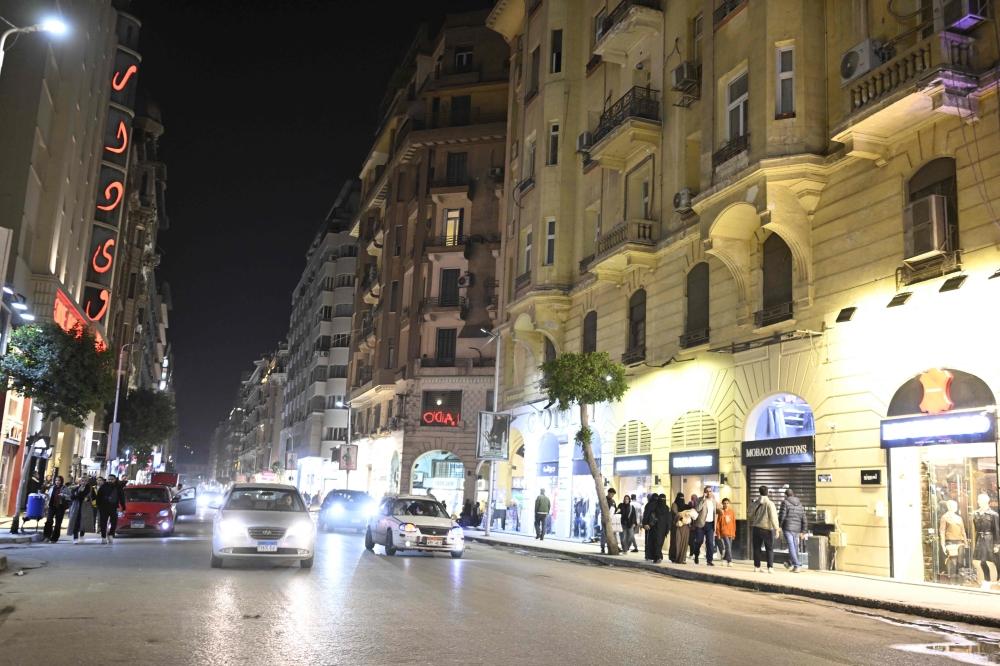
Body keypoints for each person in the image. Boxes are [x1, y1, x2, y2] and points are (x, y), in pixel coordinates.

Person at [749, 485, 781, 573]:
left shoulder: (755, 503)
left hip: (756, 528)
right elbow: (773, 517)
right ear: (768, 492)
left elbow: (749, 513)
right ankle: (770, 567)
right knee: (769, 549)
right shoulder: (770, 504)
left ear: (760, 492)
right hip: (767, 529)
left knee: (756, 548)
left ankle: (757, 567)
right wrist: (777, 529)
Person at [779, 488, 808, 572]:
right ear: (793, 495)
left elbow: (782, 516)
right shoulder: (799, 504)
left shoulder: (785, 502)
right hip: (797, 529)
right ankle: (791, 564)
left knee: (791, 546)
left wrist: (779, 526)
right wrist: (804, 531)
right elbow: (804, 518)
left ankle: (796, 565)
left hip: (788, 527)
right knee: (795, 546)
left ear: (786, 495)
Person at [692, 488, 719, 566]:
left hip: (710, 525)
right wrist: (703, 499)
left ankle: (709, 560)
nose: (709, 493)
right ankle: (696, 554)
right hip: (701, 524)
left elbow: (713, 511)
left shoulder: (713, 501)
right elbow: (697, 509)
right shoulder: (699, 499)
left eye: (710, 491)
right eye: (707, 491)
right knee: (699, 541)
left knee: (710, 543)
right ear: (704, 492)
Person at [97, 474, 126, 544]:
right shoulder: (103, 487)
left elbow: (122, 497)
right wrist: (99, 506)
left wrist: (123, 507)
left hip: (114, 507)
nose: (110, 480)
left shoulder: (118, 487)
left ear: (115, 479)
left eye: (112, 479)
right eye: (109, 479)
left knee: (114, 522)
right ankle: (103, 537)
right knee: (103, 523)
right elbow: (98, 497)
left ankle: (111, 535)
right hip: (104, 507)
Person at [68, 477, 97, 544]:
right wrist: (78, 492)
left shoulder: (91, 489)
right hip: (77, 507)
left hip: (86, 507)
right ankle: (75, 538)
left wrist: (89, 499)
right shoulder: (76, 488)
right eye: (82, 481)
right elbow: (72, 497)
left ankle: (82, 535)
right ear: (80, 482)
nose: (84, 482)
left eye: (85, 481)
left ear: (88, 481)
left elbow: (95, 498)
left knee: (84, 522)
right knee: (76, 522)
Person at [642, 494, 669, 563]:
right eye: (661, 499)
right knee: (654, 542)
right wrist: (645, 523)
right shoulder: (652, 505)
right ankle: (657, 556)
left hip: (662, 529)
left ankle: (657, 556)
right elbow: (647, 514)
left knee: (659, 543)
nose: (662, 501)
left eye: (664, 499)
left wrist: (667, 528)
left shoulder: (666, 508)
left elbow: (668, 519)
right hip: (654, 527)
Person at [43, 476, 68, 543]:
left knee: (58, 523)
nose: (57, 482)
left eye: (59, 480)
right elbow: (49, 496)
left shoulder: (65, 488)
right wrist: (46, 497)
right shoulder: (52, 488)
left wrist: (63, 495)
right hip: (52, 506)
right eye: (56, 480)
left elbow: (69, 496)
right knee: (49, 520)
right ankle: (47, 536)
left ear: (61, 481)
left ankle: (54, 538)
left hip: (60, 506)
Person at [670, 492, 692, 564]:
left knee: (684, 542)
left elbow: (691, 513)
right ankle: (675, 557)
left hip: (685, 527)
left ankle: (682, 558)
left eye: (683, 497)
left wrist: (689, 517)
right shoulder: (674, 505)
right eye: (680, 498)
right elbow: (674, 512)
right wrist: (681, 517)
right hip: (677, 526)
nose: (681, 499)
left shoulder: (686, 506)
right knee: (677, 541)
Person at [716, 497, 736, 567]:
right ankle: (730, 561)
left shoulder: (732, 512)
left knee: (729, 547)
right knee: (728, 546)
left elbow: (734, 522)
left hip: (731, 531)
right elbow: (718, 523)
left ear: (729, 504)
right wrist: (718, 533)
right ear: (722, 504)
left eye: (727, 503)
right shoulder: (721, 512)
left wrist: (734, 532)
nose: (726, 505)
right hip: (724, 532)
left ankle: (724, 559)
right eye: (725, 503)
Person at [600, 488, 617, 554]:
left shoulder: (613, 501)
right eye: (612, 494)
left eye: (613, 495)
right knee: (604, 533)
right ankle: (603, 547)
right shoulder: (604, 500)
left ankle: (613, 547)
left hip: (611, 519)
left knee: (613, 534)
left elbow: (615, 508)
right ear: (609, 493)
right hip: (605, 519)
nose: (612, 496)